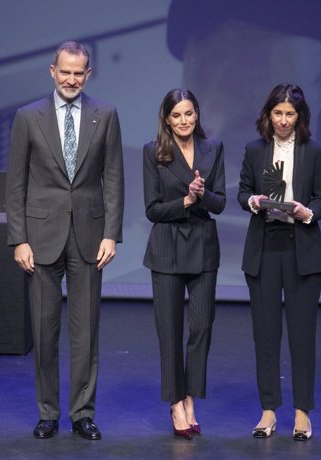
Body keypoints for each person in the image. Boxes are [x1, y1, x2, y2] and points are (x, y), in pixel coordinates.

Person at [5, 41, 124, 441]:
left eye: (79, 73)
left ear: (88, 75)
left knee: (86, 332)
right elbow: (16, 183)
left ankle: (82, 413)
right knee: (44, 329)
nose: (71, 79)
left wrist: (111, 232)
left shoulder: (104, 114)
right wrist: (18, 239)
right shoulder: (27, 117)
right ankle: (47, 412)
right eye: (65, 72)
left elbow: (113, 178)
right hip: (39, 237)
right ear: (52, 71)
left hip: (90, 237)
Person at [238, 83, 321, 440]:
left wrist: (308, 213)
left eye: (290, 114)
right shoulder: (254, 150)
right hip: (263, 249)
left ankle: (302, 413)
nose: (283, 120)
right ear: (268, 114)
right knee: (266, 335)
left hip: (301, 249)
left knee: (302, 336)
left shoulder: (314, 152)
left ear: (300, 117)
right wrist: (254, 201)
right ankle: (268, 411)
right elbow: (242, 192)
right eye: (278, 113)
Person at [143, 89, 226, 439]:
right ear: (166, 118)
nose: (184, 121)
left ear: (197, 114)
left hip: (204, 248)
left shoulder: (213, 149)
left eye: (189, 114)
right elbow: (153, 210)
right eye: (176, 116)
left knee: (202, 327)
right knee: (170, 332)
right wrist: (187, 200)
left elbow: (219, 203)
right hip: (167, 250)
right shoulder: (154, 152)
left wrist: (203, 196)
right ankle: (176, 402)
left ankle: (191, 396)